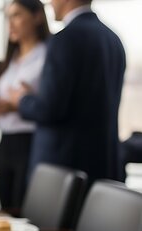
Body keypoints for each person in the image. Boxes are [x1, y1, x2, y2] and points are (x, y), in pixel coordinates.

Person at [10, 0, 126, 185]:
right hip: (103, 163)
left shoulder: (64, 39)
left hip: (63, 167)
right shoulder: (113, 39)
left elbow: (49, 109)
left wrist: (22, 99)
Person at [0, 0, 50, 210]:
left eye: (17, 15)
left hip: (30, 142)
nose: (10, 23)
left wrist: (18, 105)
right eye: (8, 17)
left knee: (24, 208)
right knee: (6, 209)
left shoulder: (46, 55)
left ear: (37, 17)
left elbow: (48, 104)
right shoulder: (11, 59)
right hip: (5, 143)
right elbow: (5, 104)